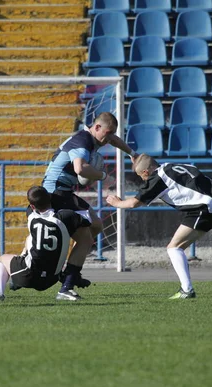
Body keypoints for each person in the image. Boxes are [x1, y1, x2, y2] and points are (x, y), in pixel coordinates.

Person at [106, 154, 212, 299]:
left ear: (145, 172)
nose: (143, 180)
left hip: (203, 208)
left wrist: (117, 203)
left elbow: (135, 203)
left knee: (174, 247)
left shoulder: (157, 178)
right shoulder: (173, 166)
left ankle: (187, 290)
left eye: (141, 176)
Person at [38, 112, 138, 296]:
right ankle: (67, 285)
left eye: (111, 134)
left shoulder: (93, 138)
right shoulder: (83, 141)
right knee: (85, 238)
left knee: (96, 225)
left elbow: (114, 140)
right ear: (97, 127)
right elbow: (80, 168)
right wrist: (104, 177)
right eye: (107, 133)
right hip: (55, 193)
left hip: (63, 191)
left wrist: (132, 154)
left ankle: (70, 273)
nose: (108, 139)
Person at [0, 186, 93, 302]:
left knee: (2, 259)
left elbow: (36, 209)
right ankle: (68, 281)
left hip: (29, 276)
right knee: (33, 239)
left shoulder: (30, 215)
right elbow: (88, 221)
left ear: (33, 206)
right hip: (51, 279)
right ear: (50, 198)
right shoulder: (67, 216)